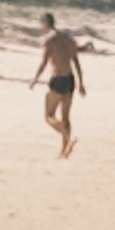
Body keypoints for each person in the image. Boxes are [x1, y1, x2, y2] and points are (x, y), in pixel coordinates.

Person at [33, 13, 85, 157]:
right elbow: (76, 61)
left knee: (49, 115)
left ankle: (66, 136)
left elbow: (44, 62)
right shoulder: (67, 38)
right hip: (70, 79)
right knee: (66, 117)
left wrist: (35, 79)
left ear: (45, 24)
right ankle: (64, 150)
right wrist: (81, 83)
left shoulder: (49, 40)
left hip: (58, 79)